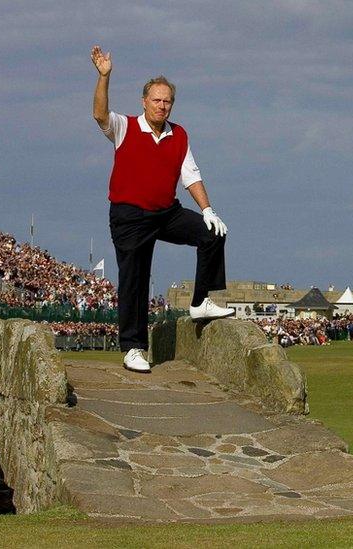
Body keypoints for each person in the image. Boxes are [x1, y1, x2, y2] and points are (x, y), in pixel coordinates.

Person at [92, 45, 234, 373]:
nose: (162, 105)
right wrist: (104, 77)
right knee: (135, 278)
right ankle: (133, 347)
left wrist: (208, 209)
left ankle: (200, 302)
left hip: (165, 212)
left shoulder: (179, 134)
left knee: (211, 233)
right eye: (156, 100)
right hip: (129, 215)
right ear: (144, 102)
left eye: (167, 100)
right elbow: (100, 115)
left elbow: (191, 175)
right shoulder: (126, 126)